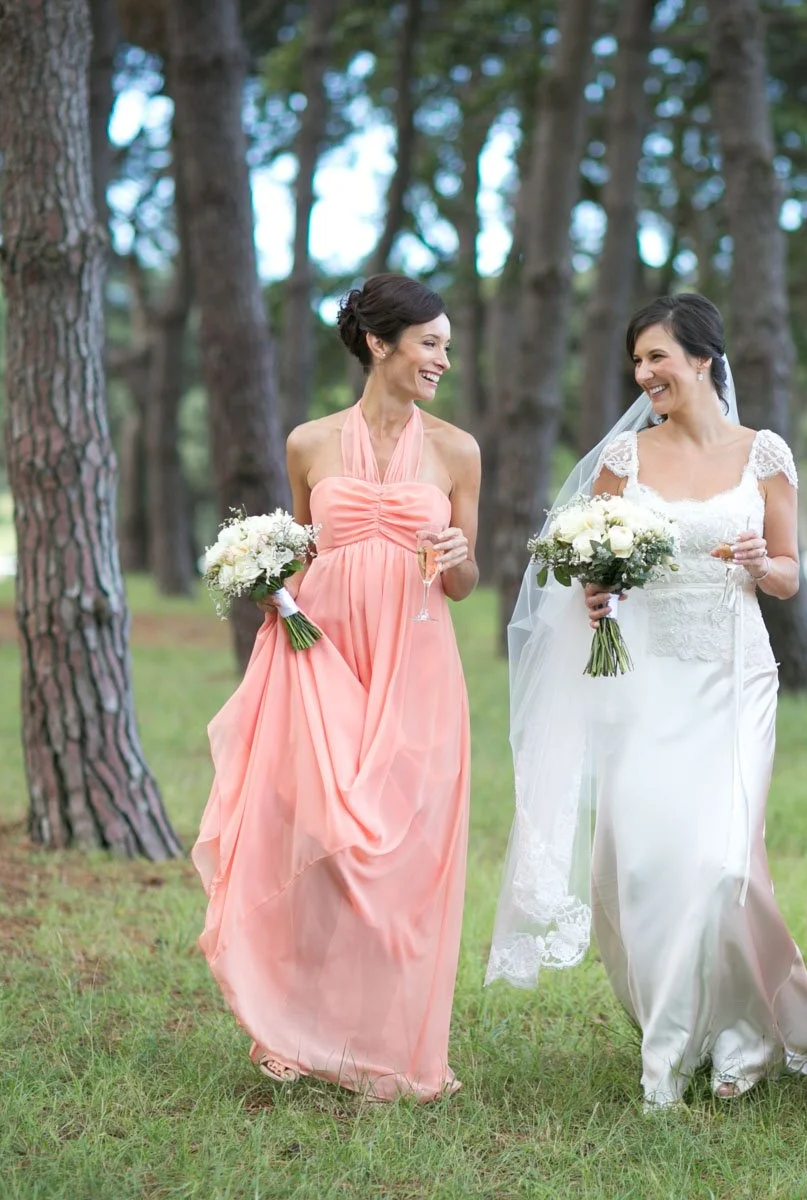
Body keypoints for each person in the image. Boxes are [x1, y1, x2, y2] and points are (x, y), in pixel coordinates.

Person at [488, 293, 807, 1110]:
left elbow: (790, 576)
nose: (646, 374)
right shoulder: (625, 459)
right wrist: (596, 592)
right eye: (637, 362)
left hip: (732, 673)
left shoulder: (766, 454)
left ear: (703, 360)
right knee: (645, 867)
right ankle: (683, 1038)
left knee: (722, 867)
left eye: (659, 358)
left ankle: (740, 1036)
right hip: (643, 680)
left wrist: (761, 561)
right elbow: (589, 565)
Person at [193, 273, 480, 1101]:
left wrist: (460, 563)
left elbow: (461, 584)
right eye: (431, 343)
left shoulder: (457, 450)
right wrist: (262, 578)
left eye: (447, 346)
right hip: (317, 658)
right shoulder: (310, 443)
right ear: (379, 344)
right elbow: (299, 554)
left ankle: (397, 1043)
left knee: (405, 849)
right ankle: (299, 1030)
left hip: (417, 663)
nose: (443, 361)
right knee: (316, 842)